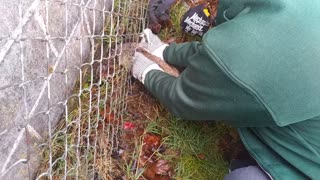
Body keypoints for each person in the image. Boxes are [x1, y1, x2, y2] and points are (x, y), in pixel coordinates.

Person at [131, 0, 320, 179]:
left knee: (244, 177)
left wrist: (146, 71)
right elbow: (220, 52)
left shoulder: (251, 62)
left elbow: (183, 98)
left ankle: (260, 165)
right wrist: (164, 51)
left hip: (310, 168)